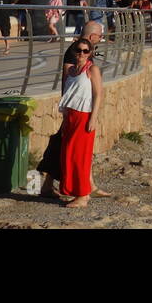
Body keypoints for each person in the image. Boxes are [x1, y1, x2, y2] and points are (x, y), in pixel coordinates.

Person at [58, 40, 102, 208]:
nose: (82, 53)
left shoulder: (92, 70)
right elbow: (66, 92)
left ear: (90, 52)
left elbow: (98, 95)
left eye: (85, 51)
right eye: (79, 50)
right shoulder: (70, 70)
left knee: (80, 156)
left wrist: (93, 118)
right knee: (68, 154)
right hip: (70, 115)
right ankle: (78, 192)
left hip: (84, 116)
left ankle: (83, 195)